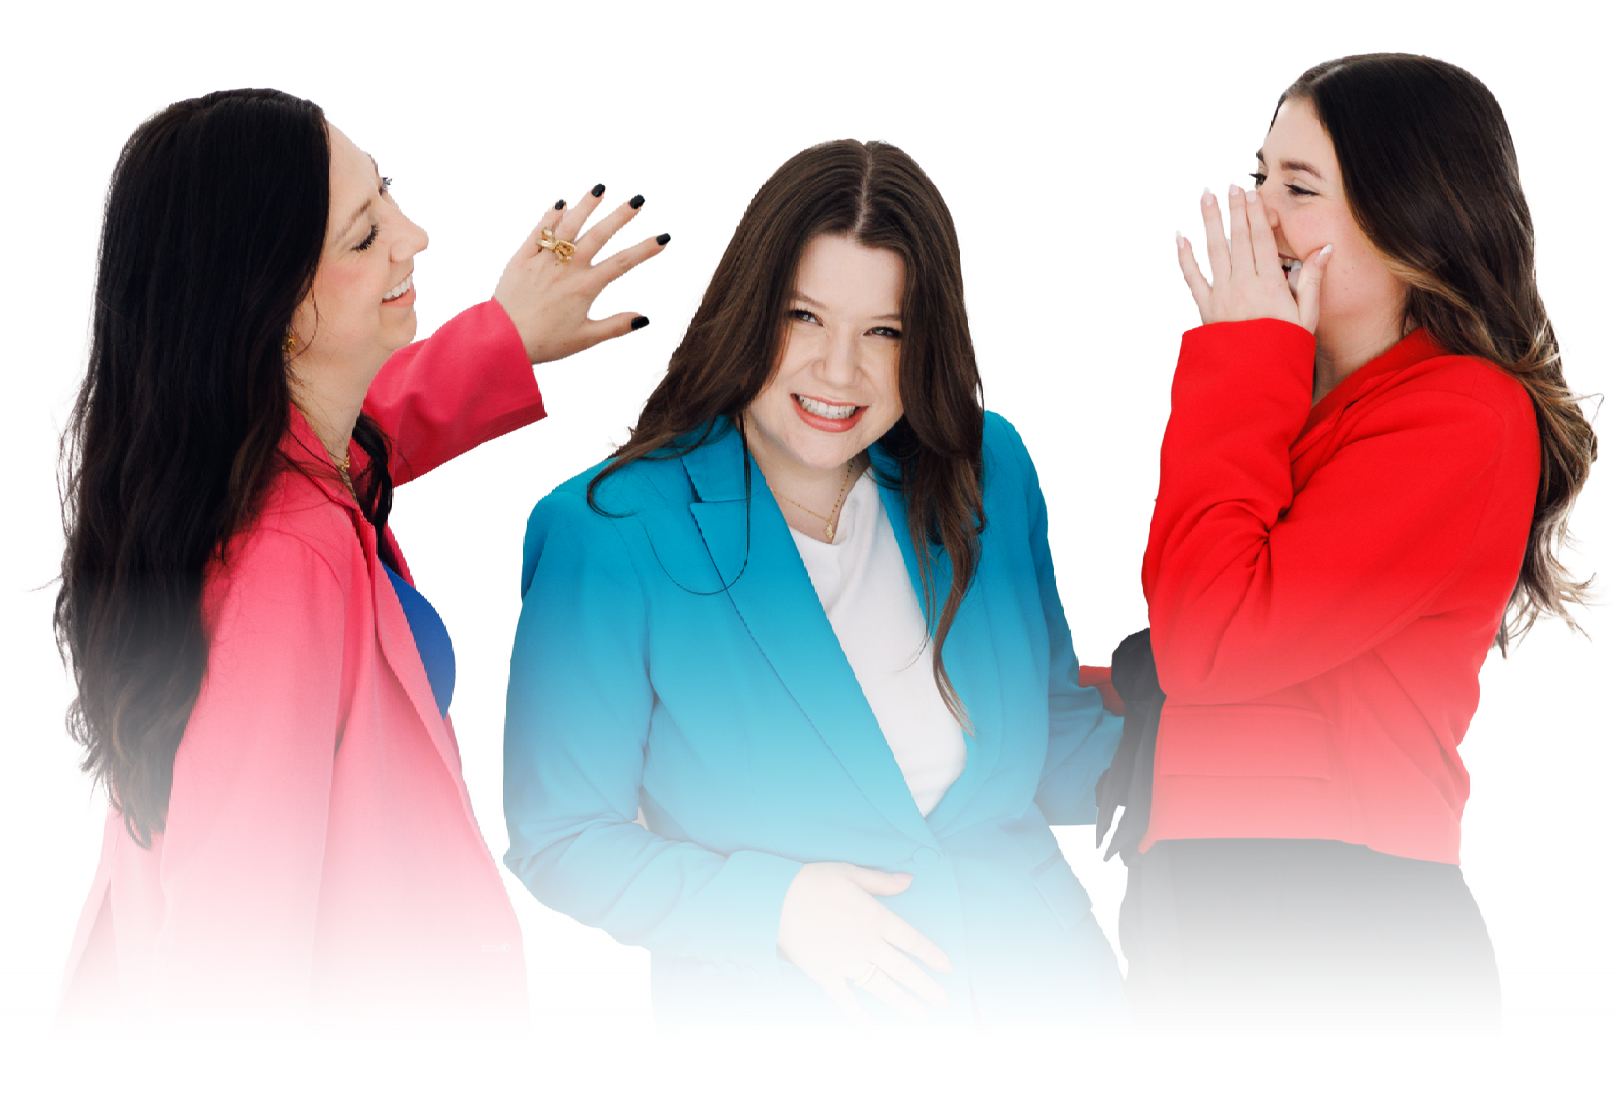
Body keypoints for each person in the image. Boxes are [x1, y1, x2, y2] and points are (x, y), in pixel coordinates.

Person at [47, 87, 670, 1029]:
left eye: (388, 197)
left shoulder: (230, 463)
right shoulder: (280, 568)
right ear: (275, 305)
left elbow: (360, 442)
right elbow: (227, 974)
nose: (414, 238)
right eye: (364, 233)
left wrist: (504, 335)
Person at [501, 137, 1126, 1031]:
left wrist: (1227, 751)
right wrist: (774, 905)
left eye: (885, 332)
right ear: (749, 311)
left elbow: (1052, 731)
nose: (840, 372)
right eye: (804, 318)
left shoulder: (985, 465)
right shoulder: (609, 531)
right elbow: (561, 838)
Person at [1107, 52, 1603, 1033]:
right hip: (1210, 907)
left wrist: (1240, 356)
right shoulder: (1287, 411)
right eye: (1259, 179)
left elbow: (1211, 641)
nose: (1256, 216)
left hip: (1331, 911)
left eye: (1296, 188)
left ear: (1411, 217)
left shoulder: (1462, 413)